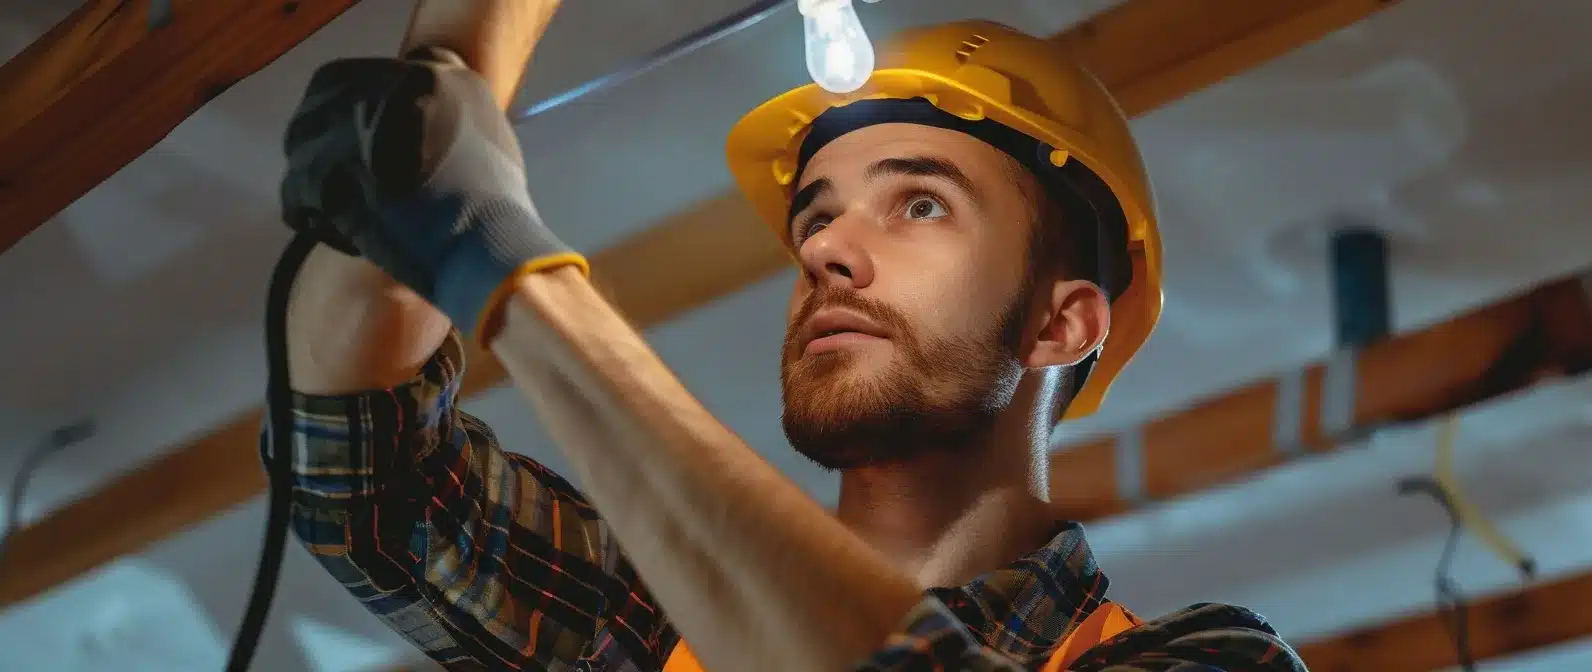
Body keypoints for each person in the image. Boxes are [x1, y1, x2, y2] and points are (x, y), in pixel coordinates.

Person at [270, 1, 1308, 670]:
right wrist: (451, 79)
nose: (827, 251)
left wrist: (496, 260)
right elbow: (362, 475)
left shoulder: (1200, 661)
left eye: (918, 206)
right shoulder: (651, 622)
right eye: (816, 215)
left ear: (1060, 321)